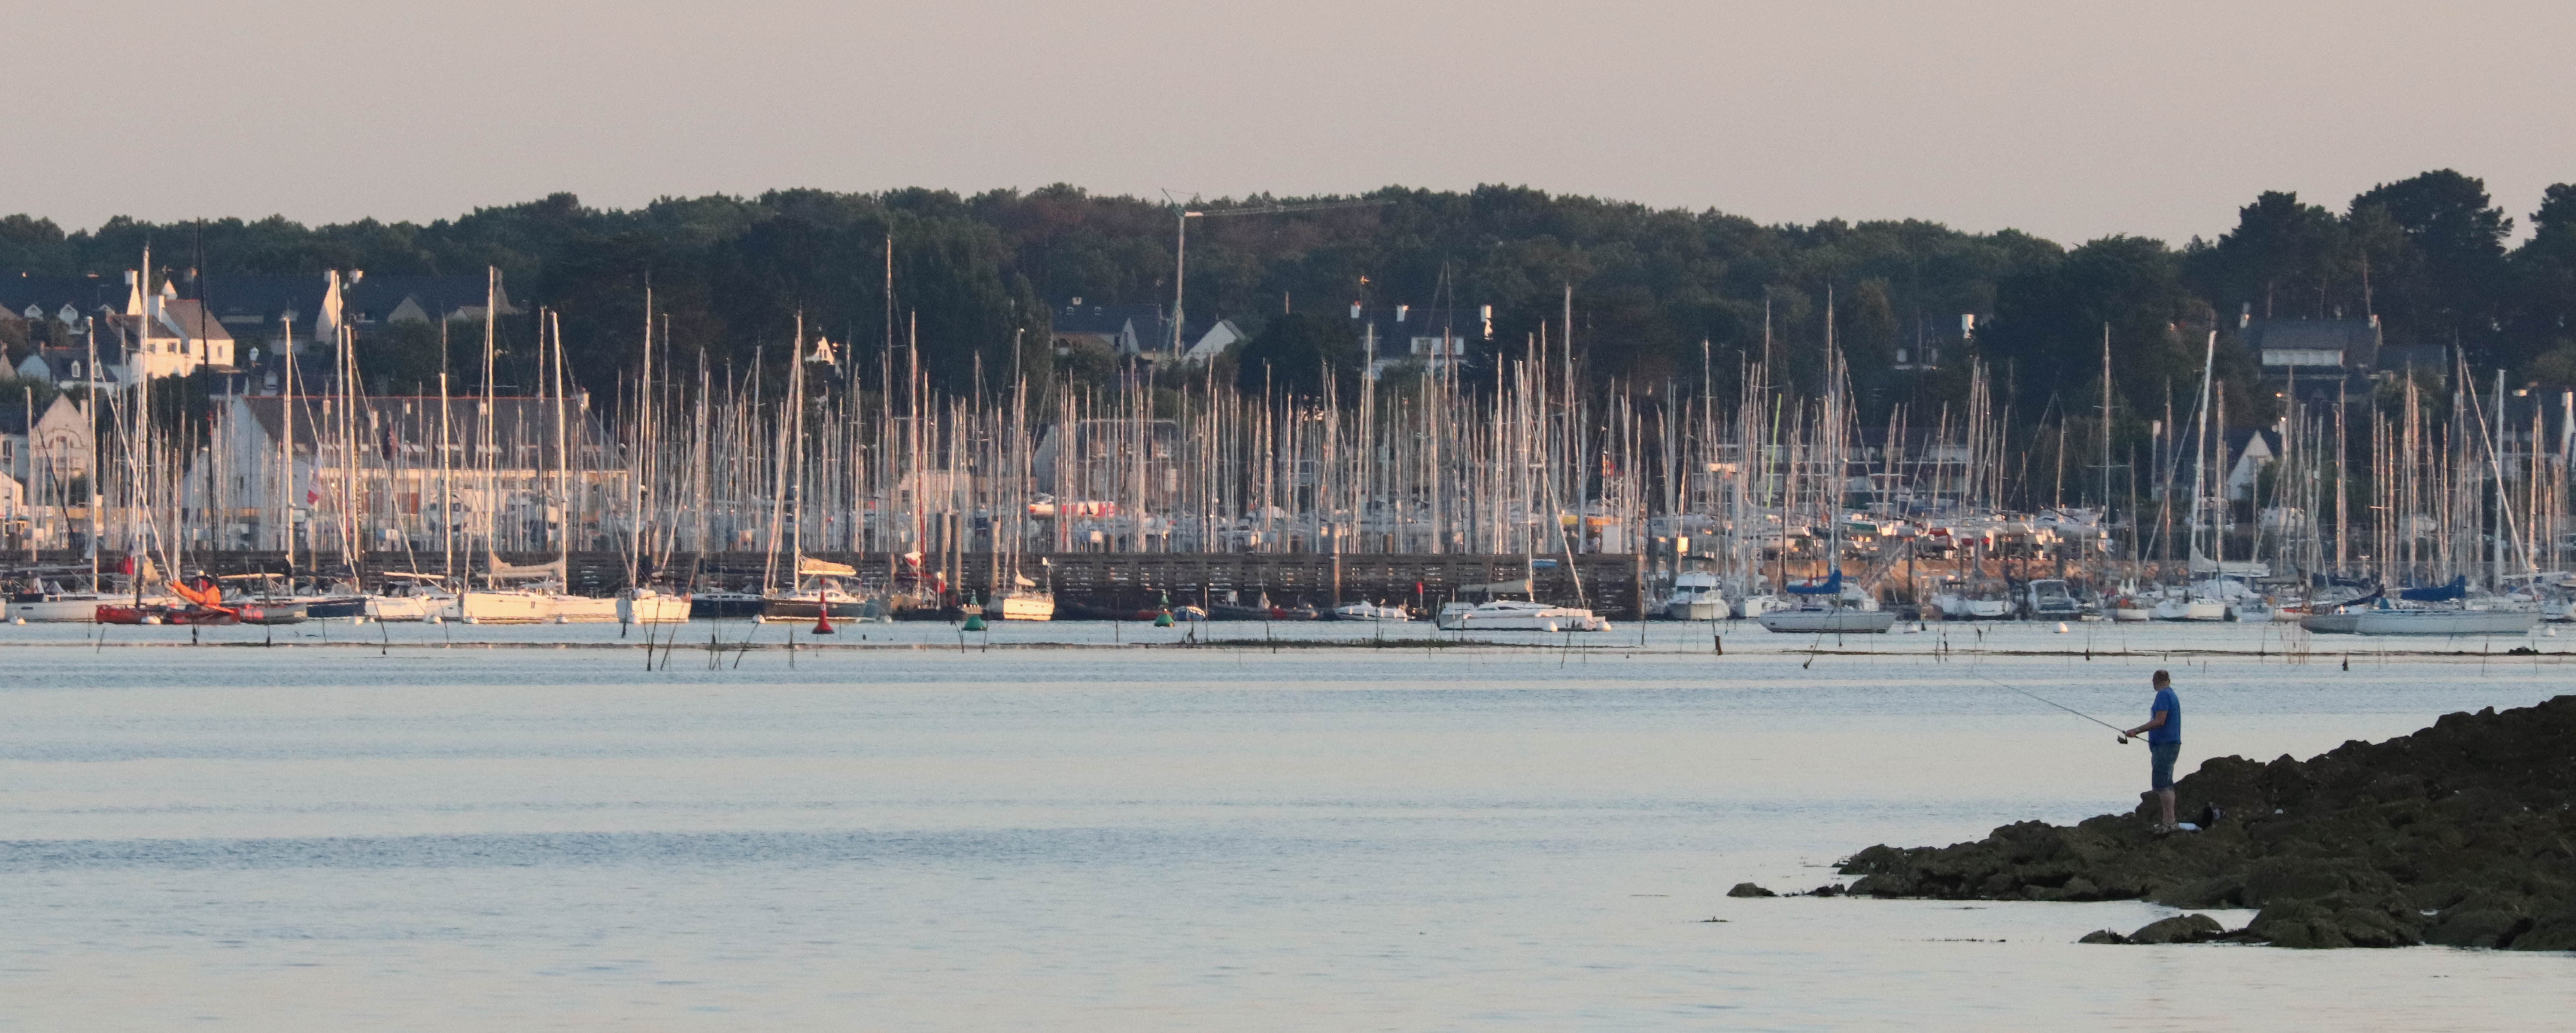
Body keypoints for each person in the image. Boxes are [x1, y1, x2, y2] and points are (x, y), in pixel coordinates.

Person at [2122, 670, 2182, 830]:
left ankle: (2170, 822)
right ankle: (2169, 821)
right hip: (2167, 745)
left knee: (2163, 785)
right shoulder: (2171, 694)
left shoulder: (2163, 695)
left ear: (2156, 681)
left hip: (2166, 746)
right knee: (2165, 783)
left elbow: (2160, 721)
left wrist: (2136, 730)